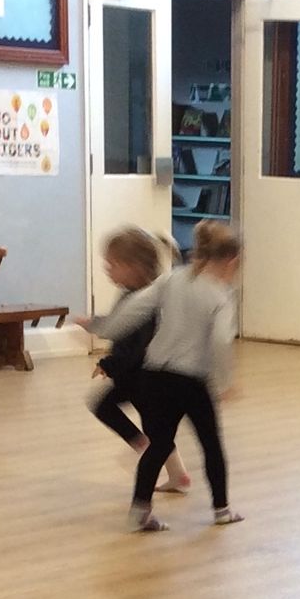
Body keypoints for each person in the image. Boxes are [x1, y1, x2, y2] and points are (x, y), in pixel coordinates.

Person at [76, 219, 242, 533]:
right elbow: (221, 340)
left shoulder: (171, 280)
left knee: (158, 445)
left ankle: (140, 512)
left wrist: (98, 326)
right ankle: (222, 509)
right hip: (192, 381)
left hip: (155, 377)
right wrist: (225, 381)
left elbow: (131, 313)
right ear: (232, 262)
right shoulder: (221, 295)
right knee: (211, 445)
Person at [86, 226, 189, 496]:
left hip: (145, 377)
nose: (107, 268)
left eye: (113, 263)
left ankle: (145, 449)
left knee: (103, 406)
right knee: (157, 428)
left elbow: (136, 348)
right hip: (141, 375)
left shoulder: (144, 300)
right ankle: (177, 474)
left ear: (134, 267)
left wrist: (109, 364)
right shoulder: (133, 294)